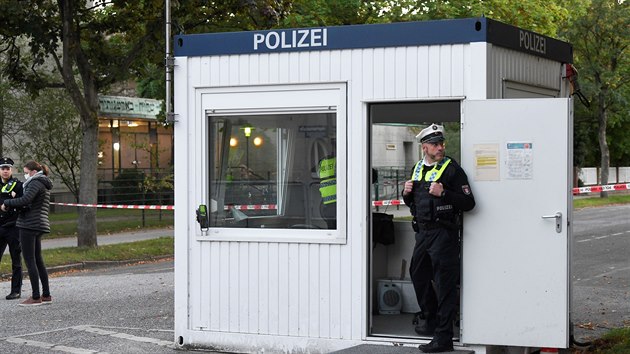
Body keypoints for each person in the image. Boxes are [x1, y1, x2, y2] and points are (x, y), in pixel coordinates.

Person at [402, 123, 475, 353]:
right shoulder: (417, 169)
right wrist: (405, 195)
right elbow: (415, 202)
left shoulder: (452, 169)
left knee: (444, 284)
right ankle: (431, 318)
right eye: (435, 144)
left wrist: (444, 193)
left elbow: (469, 203)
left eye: (441, 143)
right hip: (423, 233)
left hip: (444, 233)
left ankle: (443, 337)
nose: (440, 147)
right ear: (424, 147)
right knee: (418, 274)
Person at [1, 161, 53, 306]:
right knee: (38, 260)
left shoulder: (36, 182)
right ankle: (46, 294)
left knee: (30, 260)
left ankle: (36, 297)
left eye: (26, 172)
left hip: (29, 224)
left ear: (34, 171)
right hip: (38, 223)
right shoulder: (42, 183)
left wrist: (8, 203)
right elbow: (30, 203)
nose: (25, 175)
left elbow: (26, 199)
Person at [0, 157, 24, 300]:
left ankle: (16, 290)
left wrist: (10, 202)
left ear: (11, 170)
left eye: (7, 168)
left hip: (13, 227)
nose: (5, 171)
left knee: (16, 260)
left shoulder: (18, 185)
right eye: (3, 168)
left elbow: (23, 202)